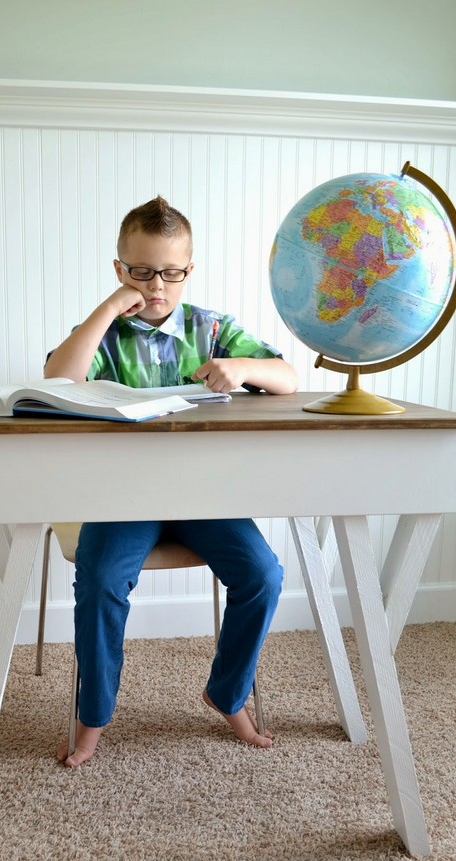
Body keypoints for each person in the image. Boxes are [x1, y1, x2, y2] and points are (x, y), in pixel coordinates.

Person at [45, 196, 298, 767]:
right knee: (104, 576)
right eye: (141, 271)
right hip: (122, 499)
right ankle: (92, 716)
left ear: (189, 269)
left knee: (263, 574)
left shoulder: (212, 330)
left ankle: (227, 693)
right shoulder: (103, 333)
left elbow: (287, 377)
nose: (156, 285)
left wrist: (244, 369)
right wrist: (112, 306)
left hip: (203, 496)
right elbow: (58, 380)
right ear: (120, 269)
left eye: (171, 272)